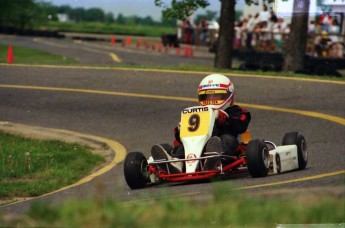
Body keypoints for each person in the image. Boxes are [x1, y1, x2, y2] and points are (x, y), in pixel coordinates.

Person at [151, 74, 251, 173]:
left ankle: (214, 160)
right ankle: (177, 163)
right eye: (207, 96)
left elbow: (241, 126)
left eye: (216, 95)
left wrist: (226, 119)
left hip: (228, 150)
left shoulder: (236, 111)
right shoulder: (197, 113)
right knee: (183, 145)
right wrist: (181, 130)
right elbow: (179, 138)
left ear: (229, 95)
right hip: (197, 147)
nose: (211, 100)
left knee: (226, 139)